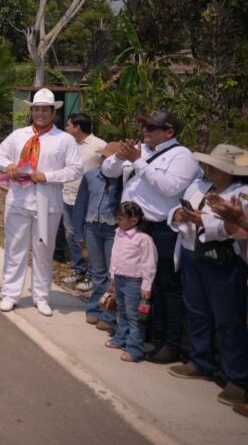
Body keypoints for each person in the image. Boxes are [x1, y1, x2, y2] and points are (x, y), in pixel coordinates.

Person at [101, 110, 200, 363]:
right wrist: (119, 156)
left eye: (152, 128)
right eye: (144, 126)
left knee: (166, 286)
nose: (145, 131)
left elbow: (169, 187)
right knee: (136, 285)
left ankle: (170, 342)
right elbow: (108, 170)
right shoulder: (140, 149)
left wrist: (138, 162)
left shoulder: (182, 156)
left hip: (161, 229)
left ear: (169, 132)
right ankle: (142, 334)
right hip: (134, 228)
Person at [166, 144, 248, 408]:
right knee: (197, 311)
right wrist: (178, 214)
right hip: (192, 253)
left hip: (224, 259)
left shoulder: (247, 193)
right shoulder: (199, 186)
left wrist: (204, 222)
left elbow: (241, 229)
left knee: (229, 319)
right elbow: (176, 209)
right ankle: (200, 360)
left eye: (216, 165)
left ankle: (238, 378)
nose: (209, 168)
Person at [0, 88, 83, 316]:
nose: (40, 114)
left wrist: (48, 176)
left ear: (54, 113)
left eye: (45, 110)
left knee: (44, 251)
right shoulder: (18, 135)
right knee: (15, 249)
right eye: (36, 109)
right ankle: (10, 294)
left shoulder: (64, 140)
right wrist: (9, 166)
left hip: (47, 203)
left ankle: (41, 297)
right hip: (18, 200)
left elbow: (75, 169)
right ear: (32, 111)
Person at [207, 157, 248, 422]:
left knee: (232, 323)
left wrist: (238, 219)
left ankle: (242, 384)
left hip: (236, 267)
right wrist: (230, 218)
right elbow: (239, 232)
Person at [75, 143, 123, 332]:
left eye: (108, 158)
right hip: (92, 227)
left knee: (113, 273)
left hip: (113, 230)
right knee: (97, 272)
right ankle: (94, 308)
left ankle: (109, 315)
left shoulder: (123, 179)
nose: (104, 161)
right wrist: (78, 231)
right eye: (103, 157)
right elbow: (81, 204)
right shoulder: (90, 176)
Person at [58, 113, 107, 290]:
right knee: (71, 234)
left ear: (77, 127)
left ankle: (92, 275)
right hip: (68, 195)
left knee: (90, 237)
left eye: (68, 125)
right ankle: (78, 269)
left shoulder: (99, 145)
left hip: (89, 200)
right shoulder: (69, 144)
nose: (66, 128)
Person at [105, 202, 157, 363]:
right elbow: (114, 255)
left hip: (134, 281)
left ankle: (135, 349)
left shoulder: (143, 239)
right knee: (121, 310)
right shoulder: (118, 233)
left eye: (121, 218)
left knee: (135, 316)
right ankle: (121, 337)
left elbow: (149, 263)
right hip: (119, 278)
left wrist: (146, 285)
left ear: (133, 220)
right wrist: (112, 276)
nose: (117, 221)